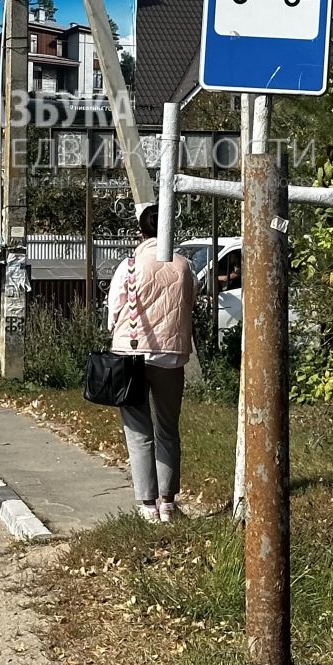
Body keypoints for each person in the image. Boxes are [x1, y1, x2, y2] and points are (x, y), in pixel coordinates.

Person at [106, 205, 195, 522]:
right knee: (168, 429)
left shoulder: (129, 266)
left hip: (130, 356)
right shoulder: (185, 267)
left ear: (141, 232)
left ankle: (146, 507)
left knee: (138, 431)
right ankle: (168, 504)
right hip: (171, 358)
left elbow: (113, 310)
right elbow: (190, 305)